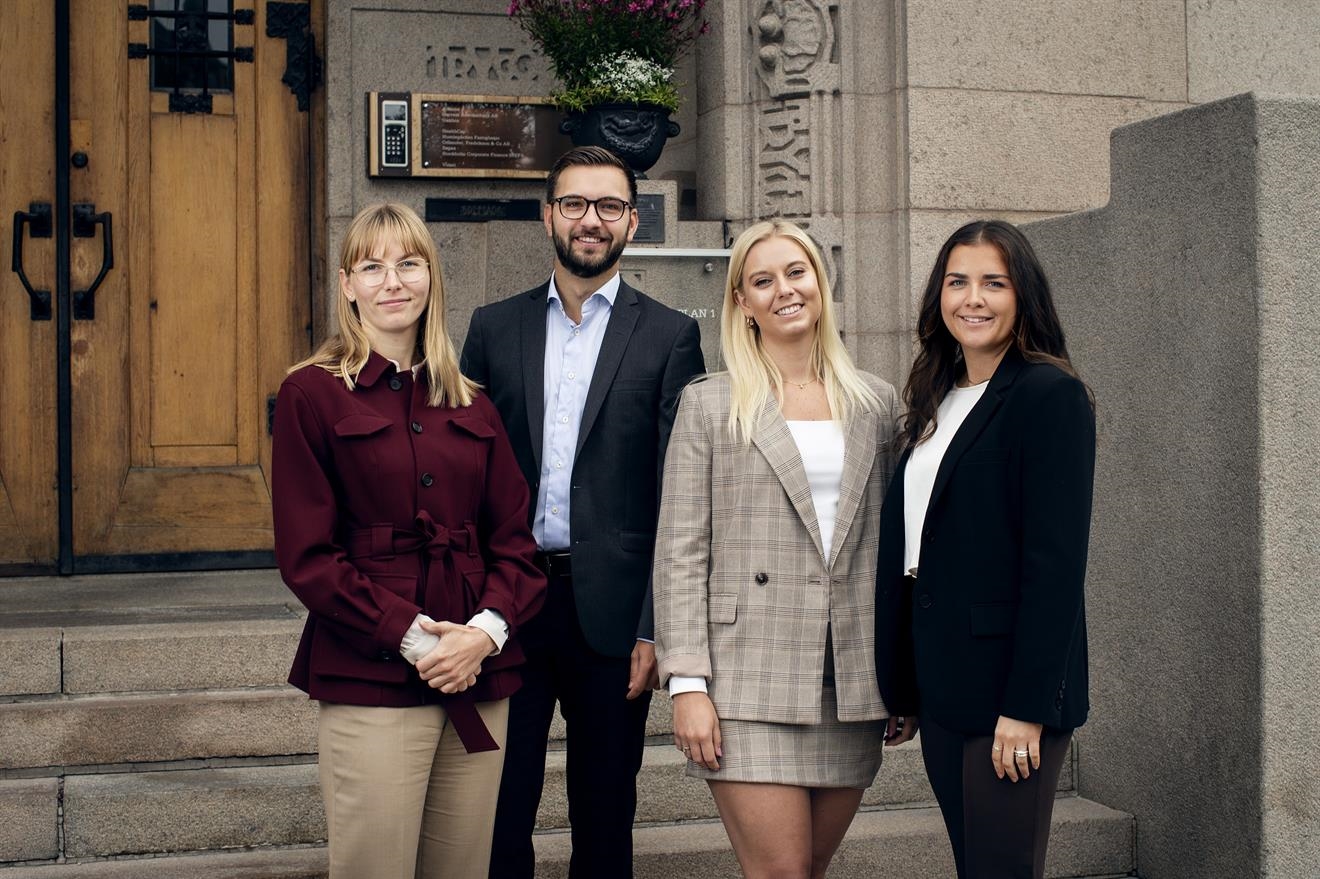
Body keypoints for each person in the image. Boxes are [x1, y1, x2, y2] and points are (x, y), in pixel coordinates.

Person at [271, 202, 546, 879]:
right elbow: (307, 556)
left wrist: (482, 634)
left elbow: (518, 543)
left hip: (478, 675)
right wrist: (416, 638)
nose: (392, 281)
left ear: (431, 278)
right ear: (347, 284)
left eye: (409, 263)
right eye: (372, 265)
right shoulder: (310, 395)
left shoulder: (471, 402)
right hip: (370, 674)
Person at [461, 146, 705, 879]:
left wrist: (654, 626)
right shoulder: (492, 328)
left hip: (614, 615)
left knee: (605, 814)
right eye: (574, 203)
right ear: (548, 215)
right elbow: (466, 476)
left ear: (632, 220)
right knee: (499, 807)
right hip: (508, 605)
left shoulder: (669, 336)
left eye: (607, 206)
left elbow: (680, 491)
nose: (589, 220)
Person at [653, 219, 916, 879]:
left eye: (796, 273)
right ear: (741, 301)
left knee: (810, 868)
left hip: (848, 680)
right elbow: (681, 550)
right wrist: (687, 682)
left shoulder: (877, 404)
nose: (783, 291)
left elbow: (896, 553)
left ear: (820, 283)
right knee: (781, 872)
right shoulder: (711, 404)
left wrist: (901, 674)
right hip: (746, 680)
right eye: (762, 280)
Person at [874, 219, 1096, 878]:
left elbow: (1054, 566)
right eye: (957, 281)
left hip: (1010, 691)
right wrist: (906, 685)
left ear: (1022, 295)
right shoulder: (936, 394)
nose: (972, 298)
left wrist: (1025, 707)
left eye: (993, 283)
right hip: (944, 685)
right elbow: (921, 546)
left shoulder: (1049, 395)